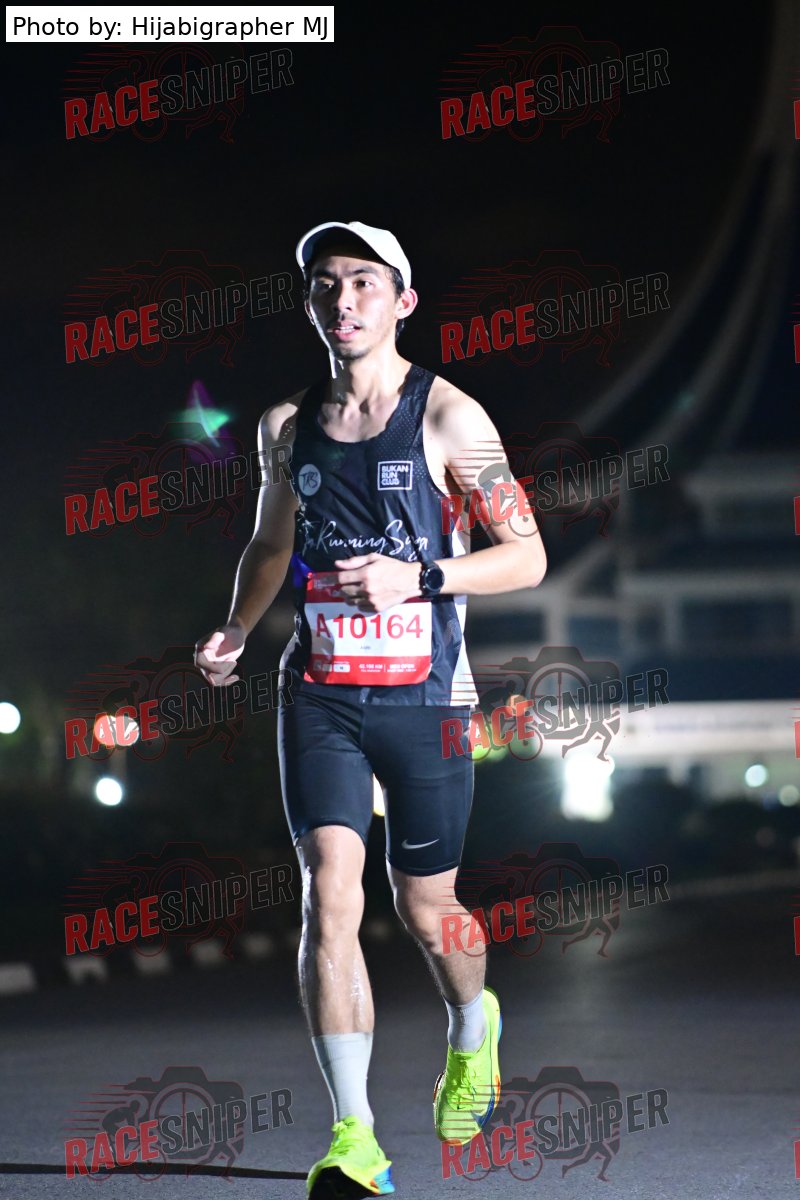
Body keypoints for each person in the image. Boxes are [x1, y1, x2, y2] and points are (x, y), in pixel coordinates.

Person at [194, 220, 547, 1196]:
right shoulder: (284, 425)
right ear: (309, 303)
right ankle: (354, 1138)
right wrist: (236, 626)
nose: (341, 299)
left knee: (428, 909)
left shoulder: (450, 417)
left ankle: (472, 1026)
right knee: (329, 895)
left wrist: (417, 577)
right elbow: (272, 545)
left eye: (362, 281)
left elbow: (526, 556)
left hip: (427, 697)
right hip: (319, 694)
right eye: (324, 283)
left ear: (401, 301)